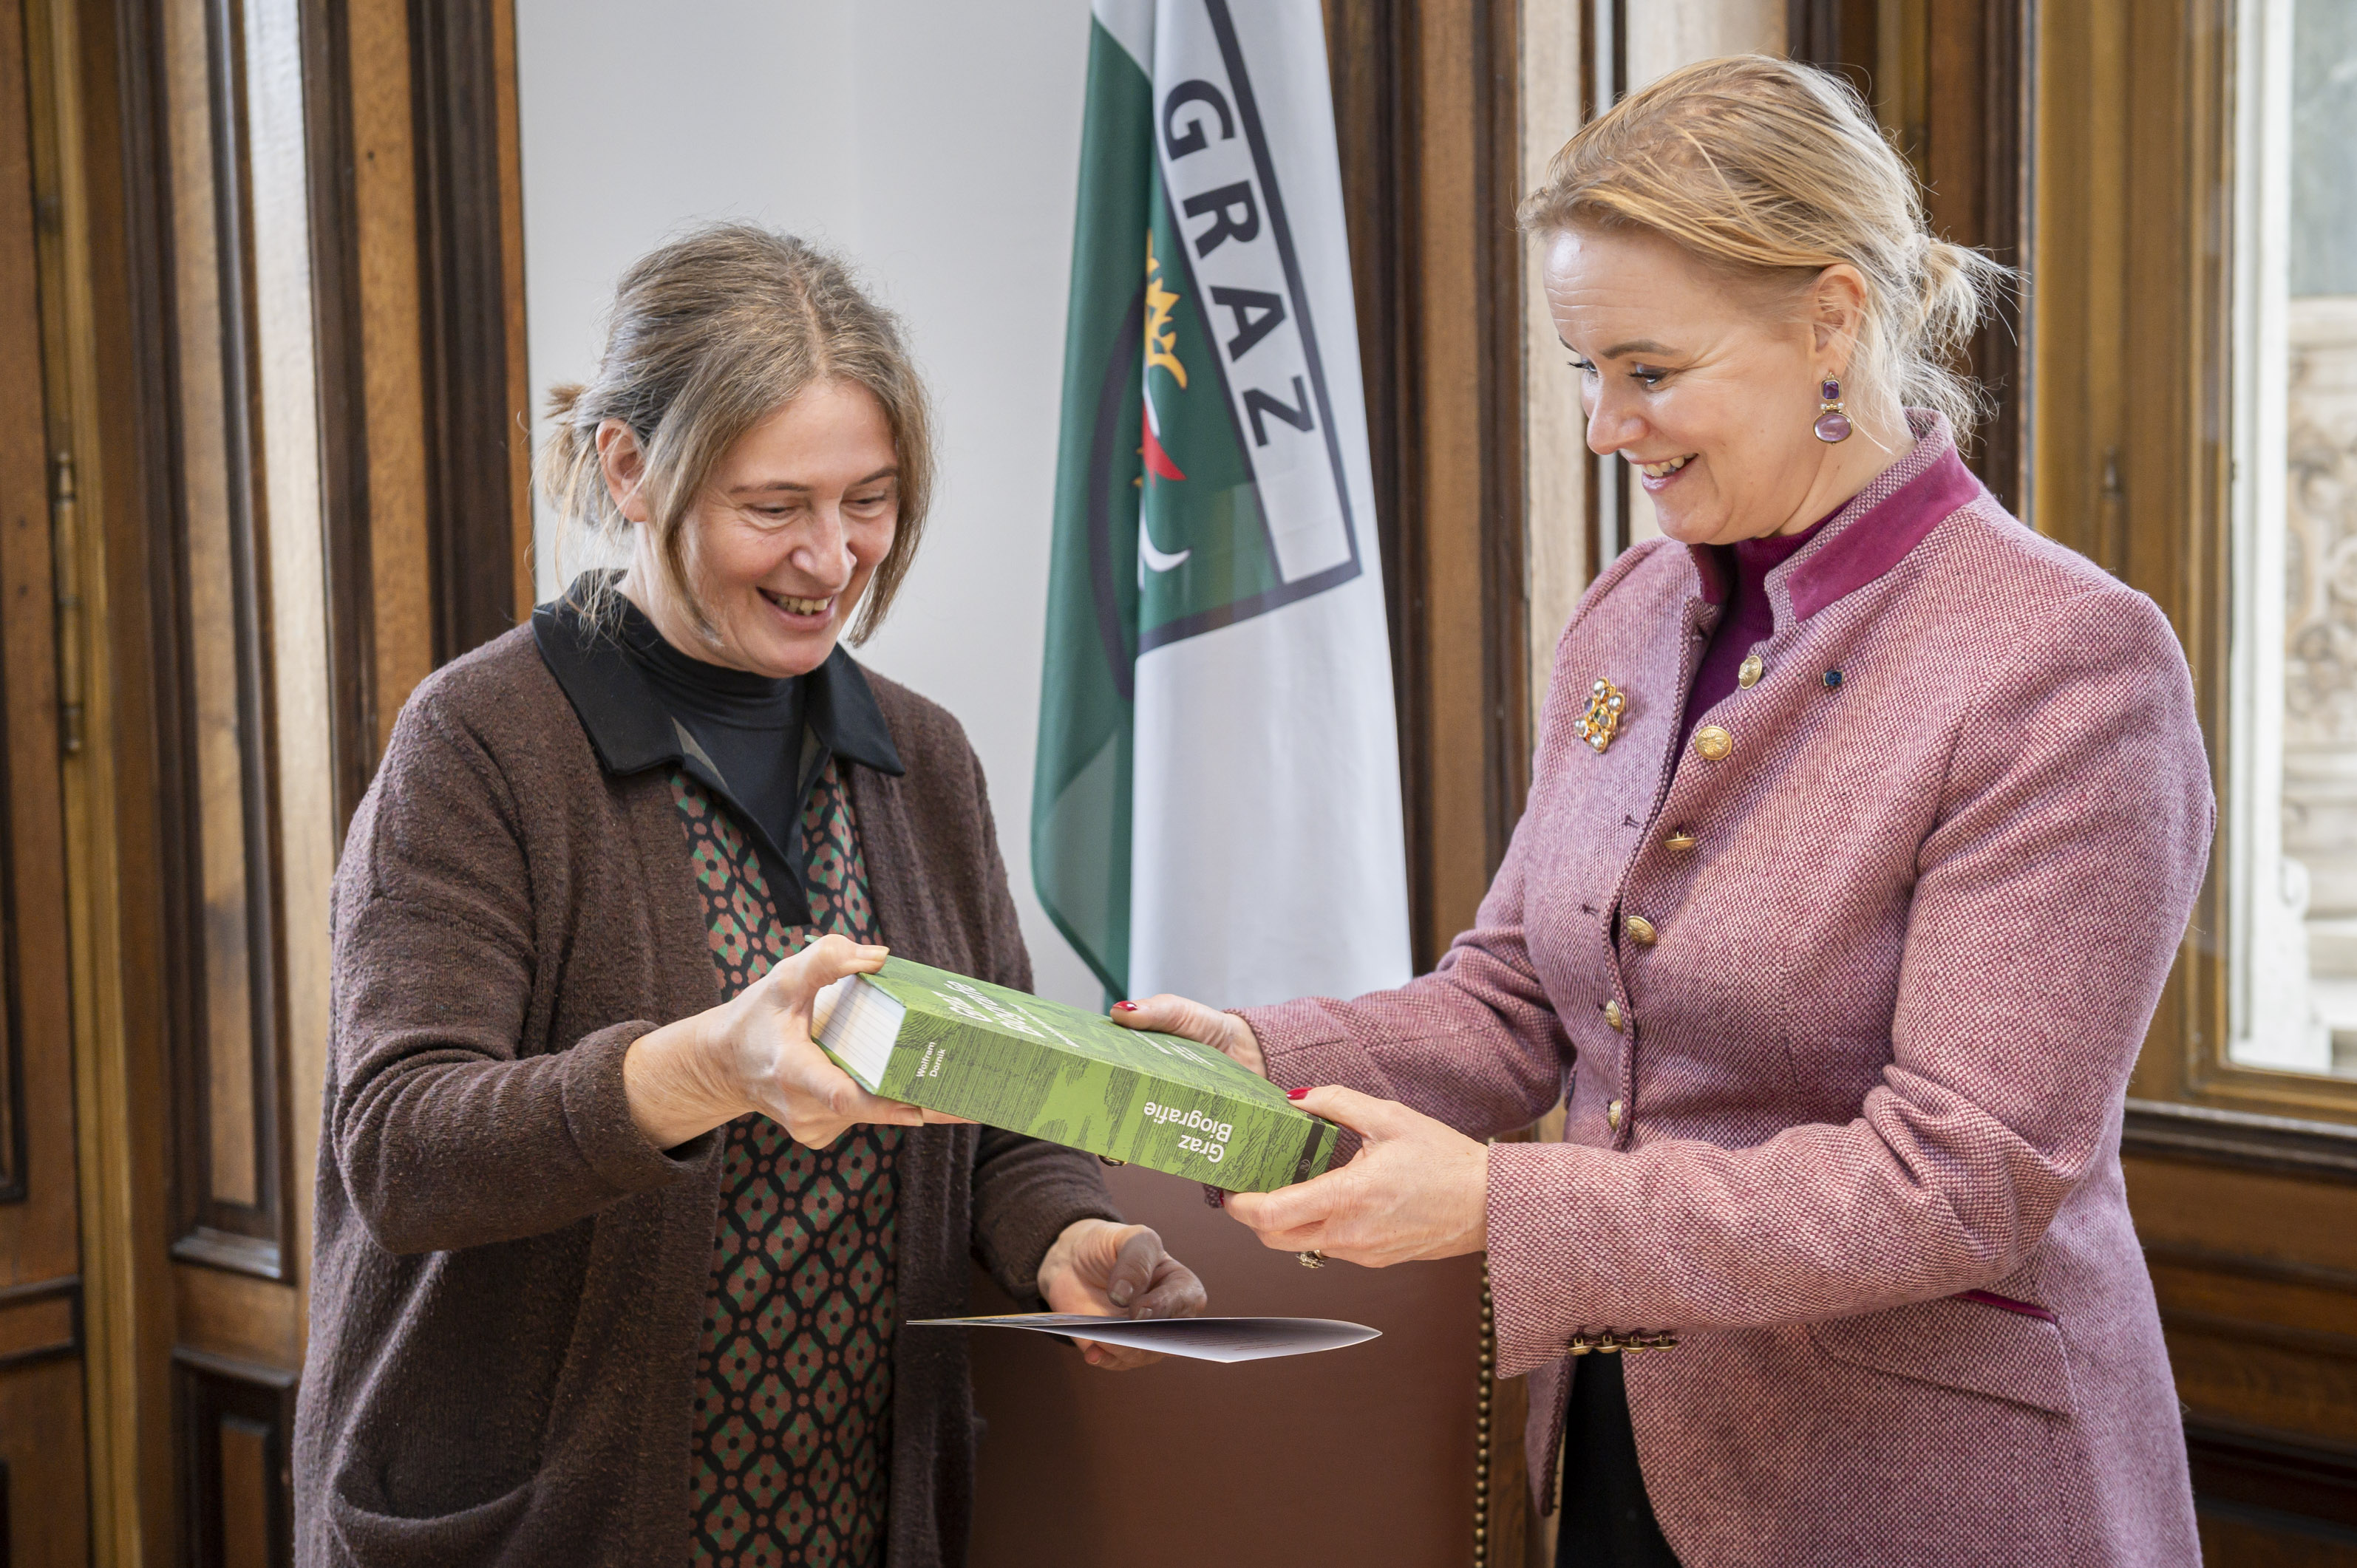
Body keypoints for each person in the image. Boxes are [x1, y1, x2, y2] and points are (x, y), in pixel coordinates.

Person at [1118, 55, 2212, 1567]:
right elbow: (1518, 996)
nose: (1600, 424)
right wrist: (1256, 1055)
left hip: (1920, 1489)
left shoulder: (2064, 659)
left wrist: (1500, 1204)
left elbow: (1961, 1176)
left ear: (1830, 318)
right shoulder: (1633, 611)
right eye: (1583, 369)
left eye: (1645, 368)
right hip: (1624, 1451)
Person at [296, 224, 1205, 1568]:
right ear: (629, 468)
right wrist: (707, 1065)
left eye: (872, 500)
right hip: (538, 1524)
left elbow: (995, 1106)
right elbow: (404, 1150)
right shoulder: (481, 742)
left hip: (852, 1523)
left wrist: (1067, 1234)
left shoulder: (923, 756)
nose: (832, 559)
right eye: (772, 507)